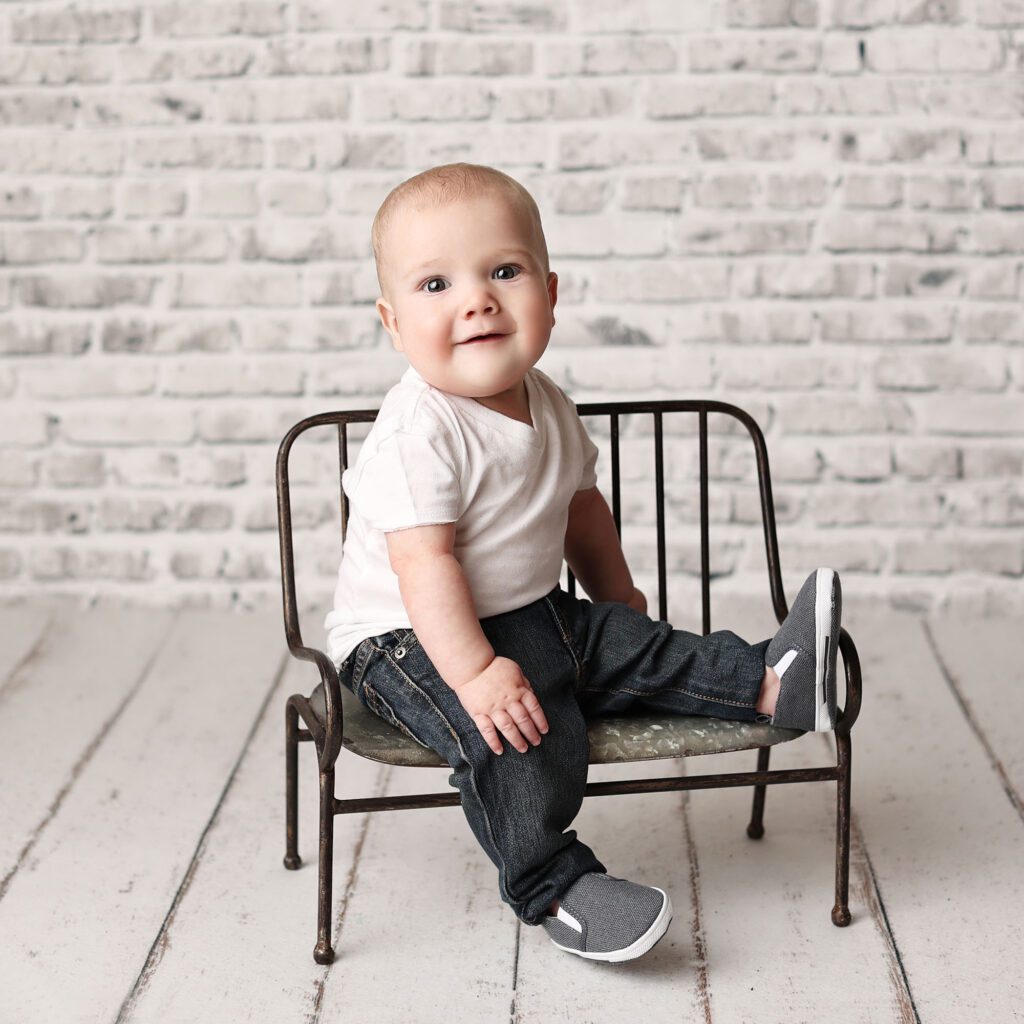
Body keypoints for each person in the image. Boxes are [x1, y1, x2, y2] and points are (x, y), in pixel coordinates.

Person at [323, 162, 843, 963]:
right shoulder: (417, 432)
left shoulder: (549, 401)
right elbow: (424, 566)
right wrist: (474, 674)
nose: (477, 299)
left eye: (504, 270)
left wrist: (619, 598)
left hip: (528, 610)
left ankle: (773, 683)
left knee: (634, 645)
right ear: (392, 324)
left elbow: (581, 510)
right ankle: (554, 887)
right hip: (405, 636)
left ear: (551, 292)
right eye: (436, 285)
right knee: (510, 734)